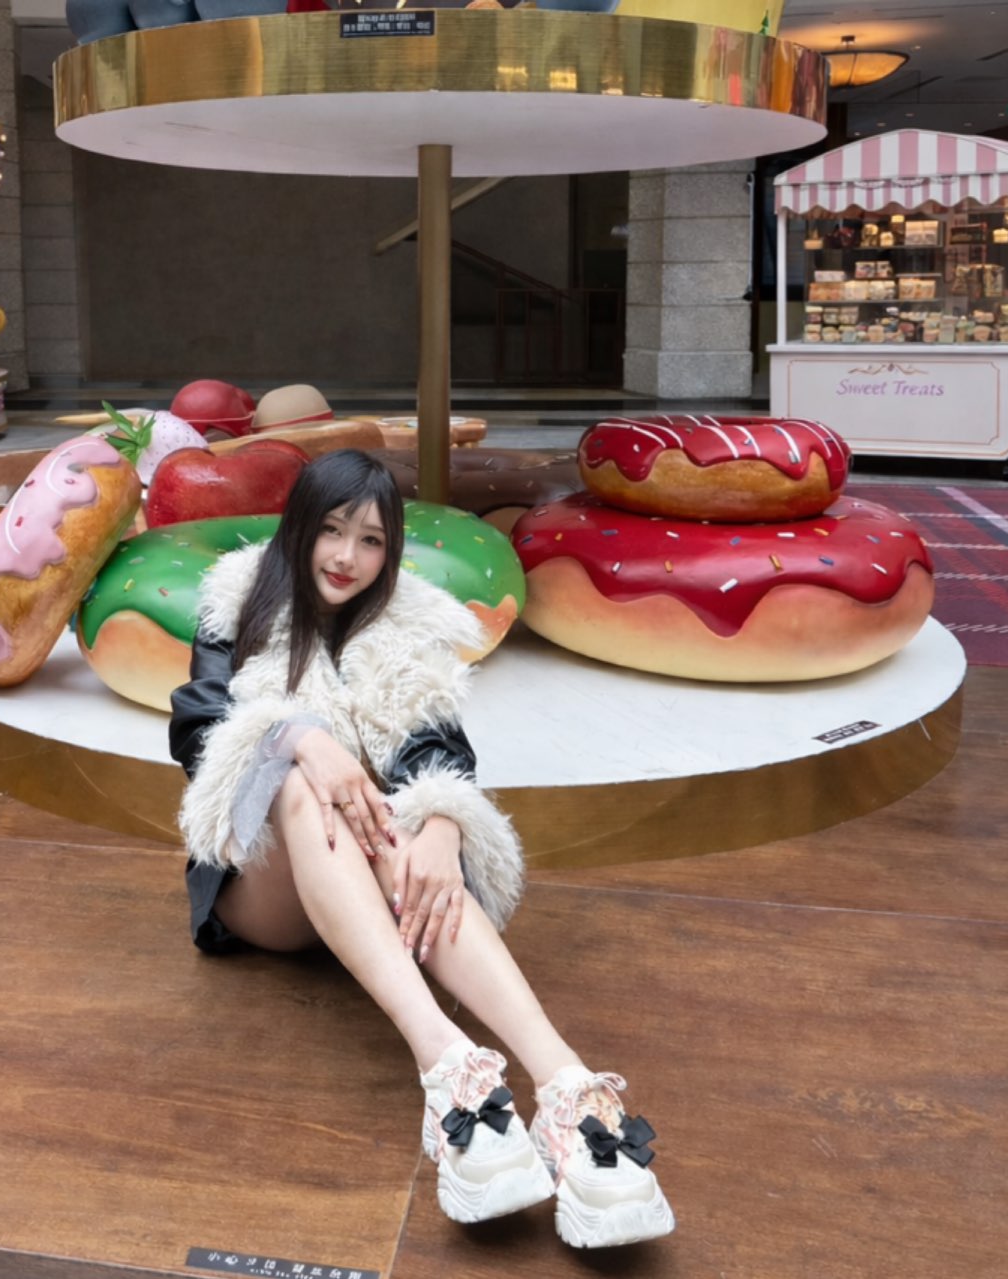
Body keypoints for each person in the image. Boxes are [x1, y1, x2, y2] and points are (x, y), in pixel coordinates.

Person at [168, 450, 674, 1249]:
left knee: (410, 824)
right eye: (332, 530)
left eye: (371, 540)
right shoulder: (237, 603)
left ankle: (565, 1085)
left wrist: (442, 824)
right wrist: (300, 739)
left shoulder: (408, 622)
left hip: (371, 873)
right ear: (300, 526)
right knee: (305, 785)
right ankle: (450, 1069)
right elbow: (201, 733)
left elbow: (440, 749)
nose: (347, 556)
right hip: (264, 883)